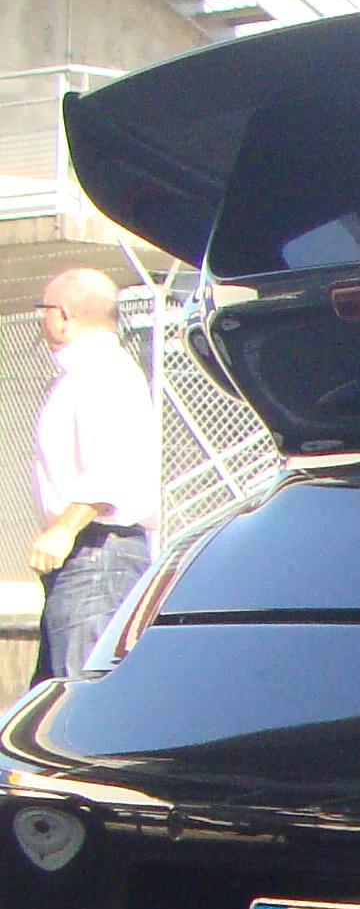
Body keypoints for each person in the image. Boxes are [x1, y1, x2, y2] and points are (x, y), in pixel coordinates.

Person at [28, 267, 157, 680]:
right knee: (56, 696)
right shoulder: (89, 374)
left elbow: (111, 467)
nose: (41, 319)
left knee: (80, 692)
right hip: (90, 558)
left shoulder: (103, 372)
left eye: (44, 309)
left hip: (99, 556)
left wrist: (64, 528)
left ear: (64, 315)